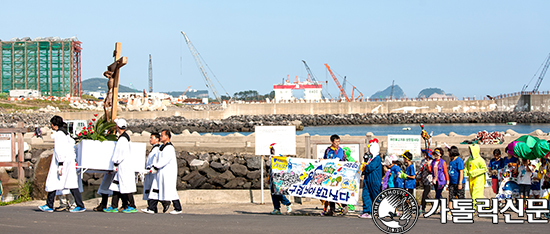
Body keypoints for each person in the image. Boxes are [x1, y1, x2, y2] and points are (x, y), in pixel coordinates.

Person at [39, 115, 85, 213]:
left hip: (62, 163)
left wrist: (60, 164)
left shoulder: (59, 134)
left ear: (54, 125)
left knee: (53, 182)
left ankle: (49, 205)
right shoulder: (66, 135)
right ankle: (80, 205)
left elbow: (59, 150)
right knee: (71, 184)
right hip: (69, 162)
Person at [144, 130, 183, 215]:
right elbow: (157, 158)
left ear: (167, 137)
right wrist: (153, 167)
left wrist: (156, 167)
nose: (160, 137)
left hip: (167, 173)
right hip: (159, 172)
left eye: (162, 136)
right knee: (155, 190)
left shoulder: (169, 148)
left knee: (171, 191)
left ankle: (178, 208)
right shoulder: (161, 147)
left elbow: (164, 160)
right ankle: (151, 207)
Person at [104, 118, 137, 213]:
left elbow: (119, 153)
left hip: (123, 165)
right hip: (123, 165)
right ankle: (114, 205)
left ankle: (132, 205)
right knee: (116, 185)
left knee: (125, 186)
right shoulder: (125, 137)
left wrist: (115, 163)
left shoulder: (122, 139)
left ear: (117, 127)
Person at [141, 133, 170, 213]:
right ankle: (153, 207)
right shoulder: (154, 149)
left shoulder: (157, 149)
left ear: (157, 139)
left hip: (153, 172)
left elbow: (156, 160)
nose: (150, 140)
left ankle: (157, 205)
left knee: (153, 190)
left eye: (152, 138)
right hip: (150, 172)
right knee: (151, 190)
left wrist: (152, 168)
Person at [321, 134, 346, 216]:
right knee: (330, 190)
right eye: (336, 142)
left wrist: (325, 160)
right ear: (332, 142)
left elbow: (337, 160)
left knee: (338, 190)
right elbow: (324, 159)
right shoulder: (328, 150)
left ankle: (344, 206)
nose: (338, 143)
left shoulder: (340, 150)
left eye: (339, 141)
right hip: (329, 173)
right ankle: (332, 210)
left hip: (338, 173)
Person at [358, 139, 382, 219]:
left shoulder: (377, 158)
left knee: (375, 195)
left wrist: (365, 166)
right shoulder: (371, 158)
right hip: (368, 179)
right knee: (366, 195)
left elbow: (370, 167)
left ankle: (378, 210)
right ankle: (367, 211)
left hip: (374, 180)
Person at [268, 143, 292, 215]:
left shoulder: (280, 158)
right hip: (272, 178)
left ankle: (288, 203)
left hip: (279, 179)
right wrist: (269, 178)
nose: (272, 152)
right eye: (271, 150)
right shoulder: (272, 158)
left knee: (279, 193)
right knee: (273, 193)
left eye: (273, 150)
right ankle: (276, 208)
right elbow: (271, 169)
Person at [464, 144, 487, 210]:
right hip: (471, 179)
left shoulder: (480, 160)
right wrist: (465, 173)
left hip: (478, 179)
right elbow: (467, 168)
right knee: (473, 193)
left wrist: (475, 172)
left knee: (476, 194)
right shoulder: (469, 159)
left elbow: (485, 169)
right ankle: (483, 206)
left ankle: (474, 208)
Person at [447, 146, 465, 219]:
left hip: (458, 182)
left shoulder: (459, 160)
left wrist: (460, 183)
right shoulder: (451, 161)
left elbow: (461, 172)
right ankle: (449, 212)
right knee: (451, 197)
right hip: (452, 182)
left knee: (460, 197)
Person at [418, 149, 433, 214]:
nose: (424, 155)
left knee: (425, 194)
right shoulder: (423, 161)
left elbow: (430, 171)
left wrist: (428, 166)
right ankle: (435, 205)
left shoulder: (431, 161)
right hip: (423, 179)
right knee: (428, 195)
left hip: (429, 180)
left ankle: (423, 207)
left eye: (425, 154)